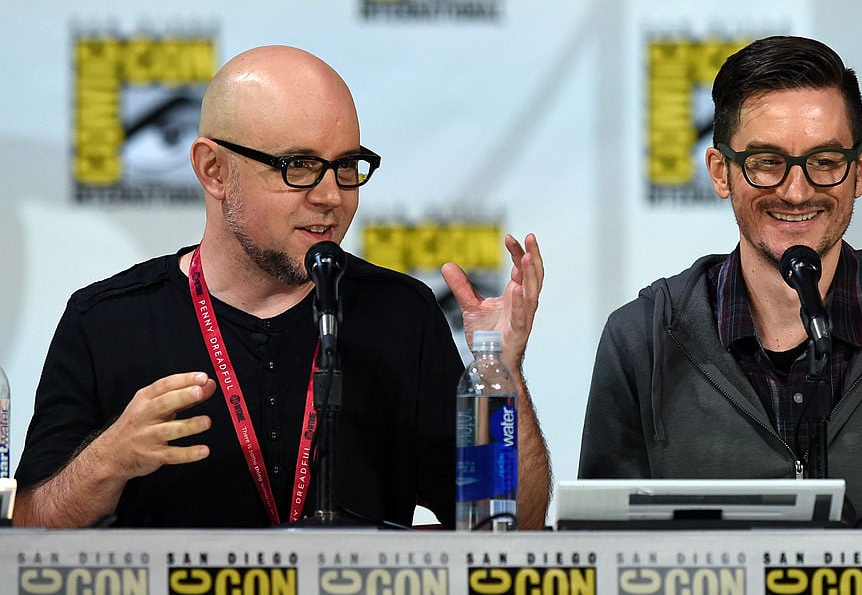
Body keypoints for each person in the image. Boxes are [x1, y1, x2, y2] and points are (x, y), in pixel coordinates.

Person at [13, 45, 550, 529]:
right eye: (298, 166)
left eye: (345, 166)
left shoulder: (401, 313)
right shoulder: (106, 321)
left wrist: (502, 373)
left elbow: (511, 528)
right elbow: (29, 529)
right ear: (214, 169)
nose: (330, 196)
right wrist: (106, 462)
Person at [578, 35, 862, 528]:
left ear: (859, 171)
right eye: (767, 163)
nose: (796, 192)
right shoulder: (641, 339)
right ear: (721, 172)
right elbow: (606, 554)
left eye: (824, 162)